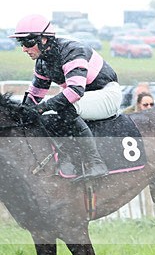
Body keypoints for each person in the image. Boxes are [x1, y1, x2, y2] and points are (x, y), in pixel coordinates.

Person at [8, 14, 121, 181]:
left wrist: (42, 108)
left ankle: (95, 163)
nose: (24, 49)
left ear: (44, 39)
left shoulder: (72, 51)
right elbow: (34, 96)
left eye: (27, 42)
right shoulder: (42, 63)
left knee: (65, 108)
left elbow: (75, 91)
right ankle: (68, 159)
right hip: (85, 99)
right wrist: (18, 114)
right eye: (21, 43)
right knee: (43, 117)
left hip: (106, 94)